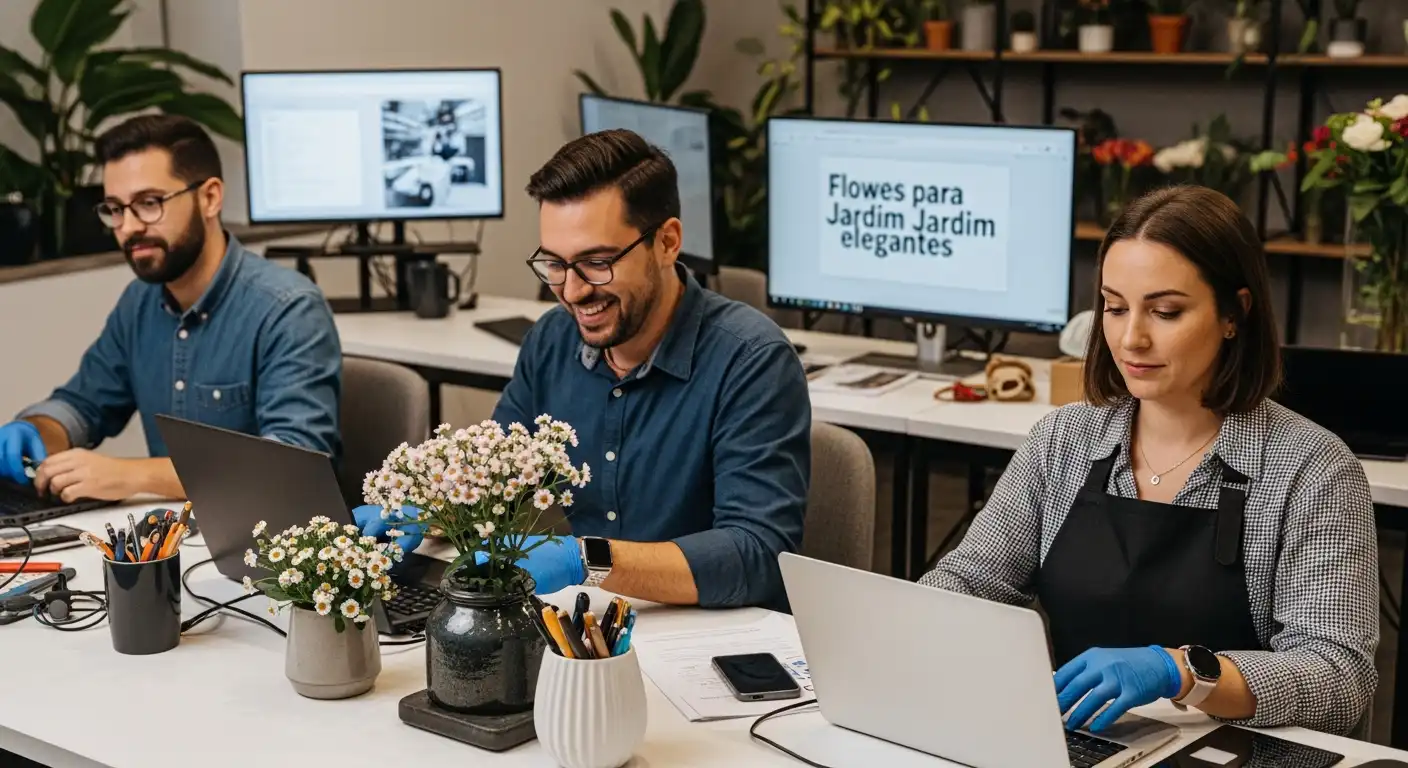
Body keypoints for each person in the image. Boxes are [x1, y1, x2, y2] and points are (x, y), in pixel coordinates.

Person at [919, 185, 1378, 736]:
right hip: (1079, 737)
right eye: (1114, 308)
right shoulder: (1061, 441)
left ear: (1235, 313)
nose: (1131, 337)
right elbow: (972, 581)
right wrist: (909, 619)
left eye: (1165, 311)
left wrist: (1181, 671)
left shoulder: (1314, 470)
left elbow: (1337, 678)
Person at [359, 129, 811, 610]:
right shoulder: (552, 341)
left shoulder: (751, 360)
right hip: (587, 633)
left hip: (710, 643)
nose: (572, 292)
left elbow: (760, 555)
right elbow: (493, 480)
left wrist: (589, 561)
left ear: (667, 242)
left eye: (597, 262)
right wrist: (429, 507)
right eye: (555, 264)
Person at [0, 115, 341, 502]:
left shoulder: (288, 308)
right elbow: (83, 405)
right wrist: (36, 430)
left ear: (210, 198)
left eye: (149, 203)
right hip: (179, 540)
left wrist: (132, 475)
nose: (129, 227)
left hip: (272, 547)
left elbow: (292, 465)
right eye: (115, 208)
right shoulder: (140, 303)